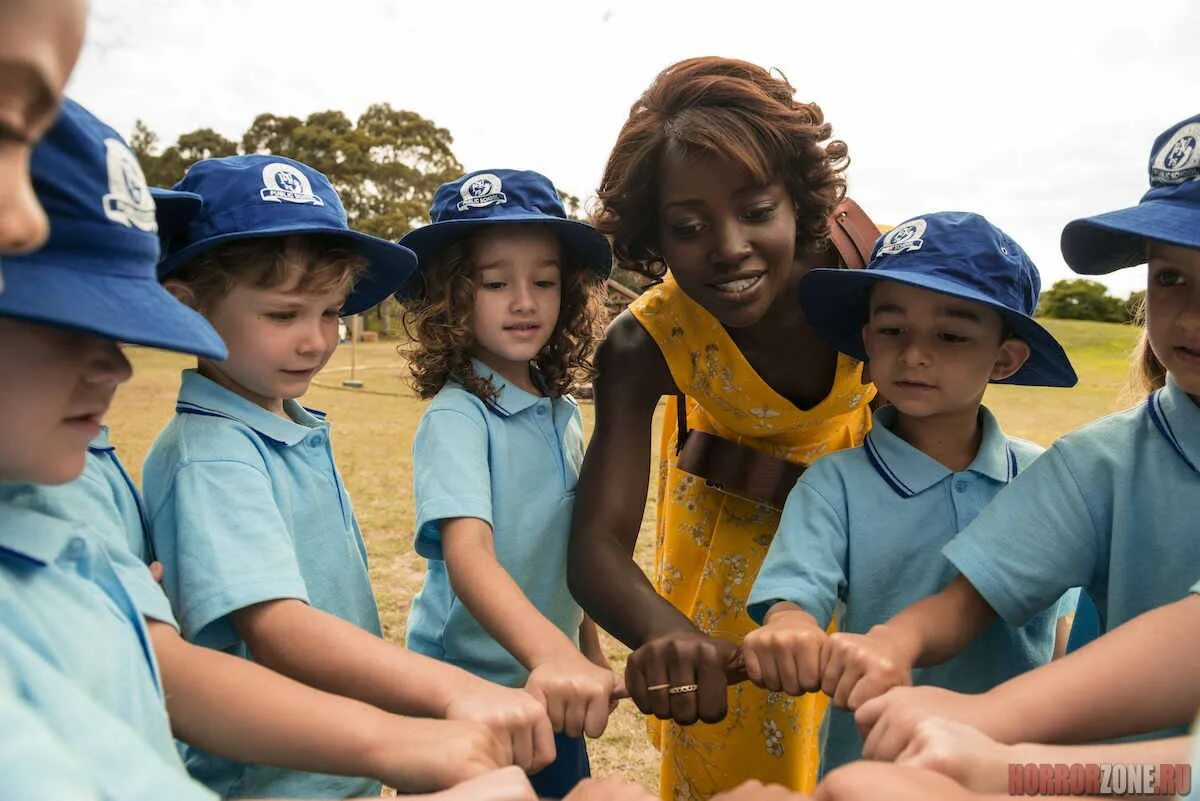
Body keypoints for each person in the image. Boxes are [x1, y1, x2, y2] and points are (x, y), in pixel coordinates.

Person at [144, 155, 554, 797]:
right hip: (276, 783)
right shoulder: (214, 452)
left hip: (338, 772)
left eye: (331, 312)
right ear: (187, 310)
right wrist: (458, 691)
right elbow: (277, 627)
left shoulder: (283, 423)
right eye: (284, 316)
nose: (317, 341)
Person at [568, 56, 877, 798]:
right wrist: (668, 635)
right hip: (724, 589)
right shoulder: (645, 344)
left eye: (756, 209)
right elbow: (597, 543)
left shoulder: (881, 280)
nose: (730, 244)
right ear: (654, 238)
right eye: (689, 226)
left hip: (867, 554)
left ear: (798, 201)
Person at [852, 111, 1200, 756]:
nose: (1190, 314)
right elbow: (974, 596)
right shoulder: (1100, 464)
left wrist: (993, 738)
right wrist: (890, 645)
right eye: (1169, 275)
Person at [742, 211, 1078, 775]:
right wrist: (791, 628)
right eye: (893, 330)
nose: (915, 353)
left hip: (1015, 768)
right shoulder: (834, 485)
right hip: (877, 765)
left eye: (950, 335)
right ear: (868, 339)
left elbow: (1061, 630)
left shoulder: (1045, 476)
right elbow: (795, 598)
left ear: (1005, 358)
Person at [398, 169, 619, 798]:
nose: (524, 301)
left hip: (551, 684)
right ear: (449, 298)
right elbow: (470, 558)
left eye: (544, 282)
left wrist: (584, 649)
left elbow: (566, 549)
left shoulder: (562, 411)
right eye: (495, 283)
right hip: (469, 694)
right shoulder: (457, 416)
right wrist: (553, 656)